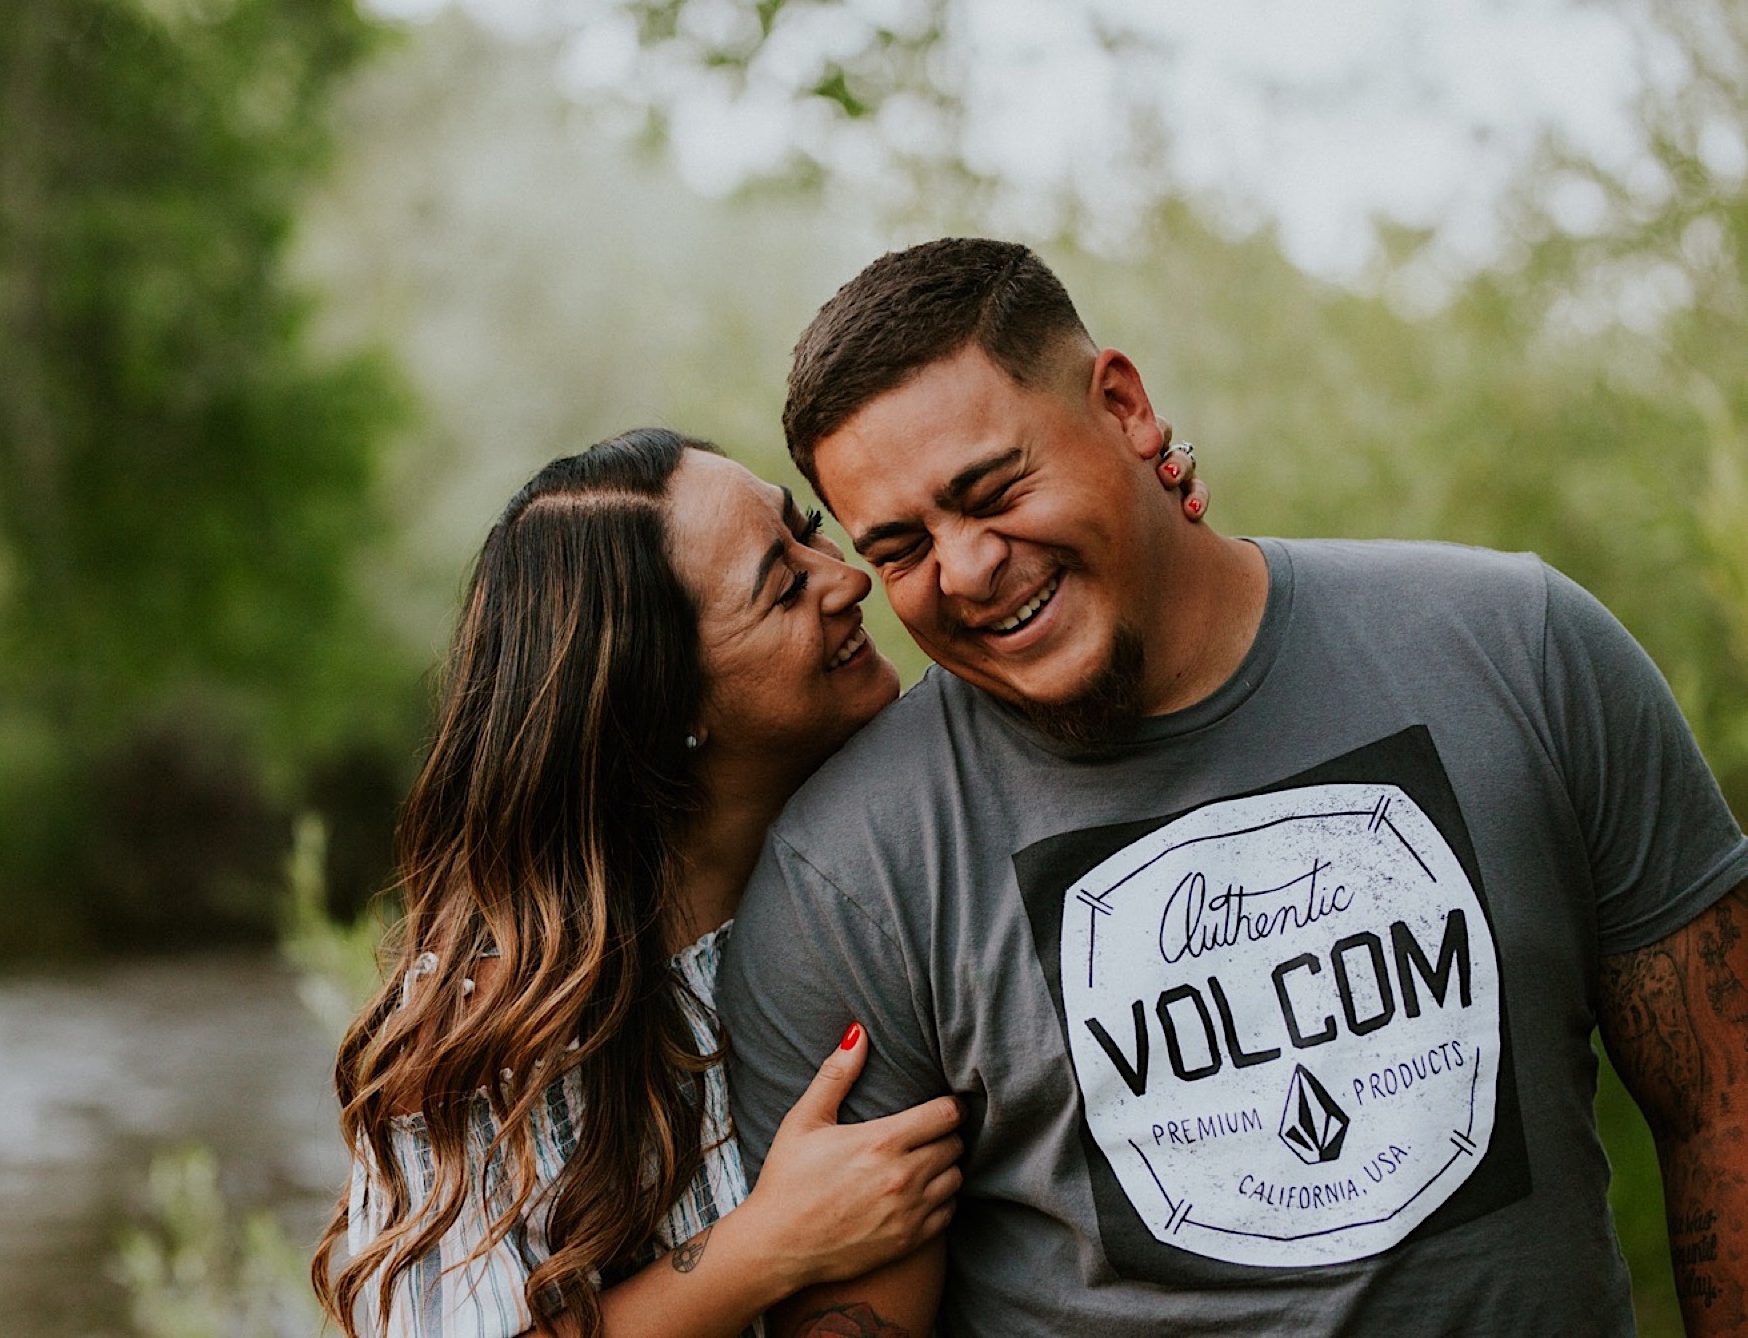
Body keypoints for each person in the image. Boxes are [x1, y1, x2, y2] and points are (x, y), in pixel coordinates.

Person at [716, 237, 1748, 1337]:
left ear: (1122, 406)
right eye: (902, 548)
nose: (964, 568)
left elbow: (1718, 1106)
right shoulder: (848, 872)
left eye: (990, 490)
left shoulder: (1520, 649)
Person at [309, 425, 1213, 1337]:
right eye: (785, 587)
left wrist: (1143, 506)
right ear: (661, 701)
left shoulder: (892, 868)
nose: (847, 578)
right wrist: (770, 1243)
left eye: (807, 530)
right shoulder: (492, 1025)